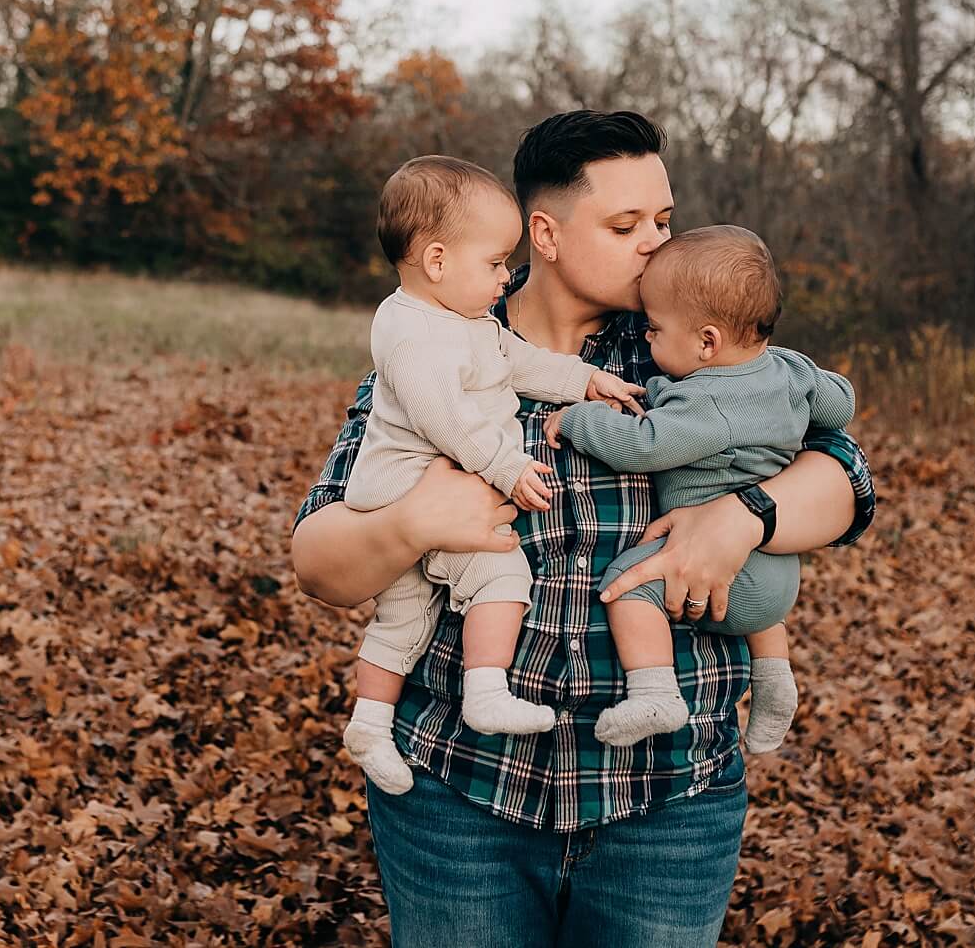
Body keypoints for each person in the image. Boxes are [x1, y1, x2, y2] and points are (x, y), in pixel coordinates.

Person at [290, 109, 876, 947]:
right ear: (546, 232)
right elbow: (318, 560)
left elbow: (849, 479)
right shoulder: (438, 354)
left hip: (667, 802)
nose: (656, 244)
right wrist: (416, 520)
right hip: (462, 799)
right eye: (627, 223)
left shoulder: (688, 347)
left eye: (664, 220)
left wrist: (747, 516)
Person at [342, 154, 645, 795]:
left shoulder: (469, 321)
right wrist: (505, 467)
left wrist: (584, 380)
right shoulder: (410, 331)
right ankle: (486, 689)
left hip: (404, 489)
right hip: (409, 486)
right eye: (494, 264)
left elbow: (522, 363)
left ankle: (369, 722)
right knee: (502, 573)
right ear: (437, 262)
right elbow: (444, 415)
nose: (505, 276)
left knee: (402, 621)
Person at [545, 223, 855, 754]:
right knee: (752, 593)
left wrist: (579, 419)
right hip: (777, 571)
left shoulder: (705, 402)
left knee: (630, 580)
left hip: (727, 581)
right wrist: (802, 374)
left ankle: (655, 692)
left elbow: (642, 445)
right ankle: (775, 681)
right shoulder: (787, 369)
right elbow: (839, 406)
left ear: (706, 341)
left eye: (656, 330)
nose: (647, 336)